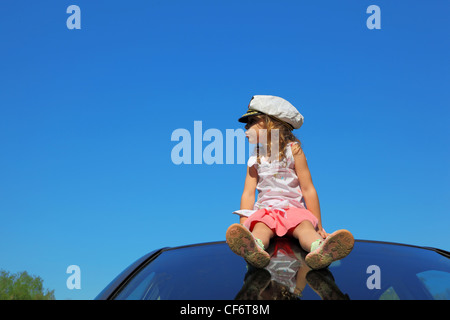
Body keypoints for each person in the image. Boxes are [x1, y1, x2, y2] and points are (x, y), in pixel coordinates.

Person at [226, 95, 354, 270]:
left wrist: (319, 226)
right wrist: (244, 226)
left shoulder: (293, 150)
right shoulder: (254, 158)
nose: (246, 128)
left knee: (305, 229)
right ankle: (253, 246)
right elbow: (248, 193)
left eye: (251, 122)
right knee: (260, 229)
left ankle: (320, 249)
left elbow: (308, 189)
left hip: (293, 210)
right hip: (266, 212)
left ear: (270, 124)